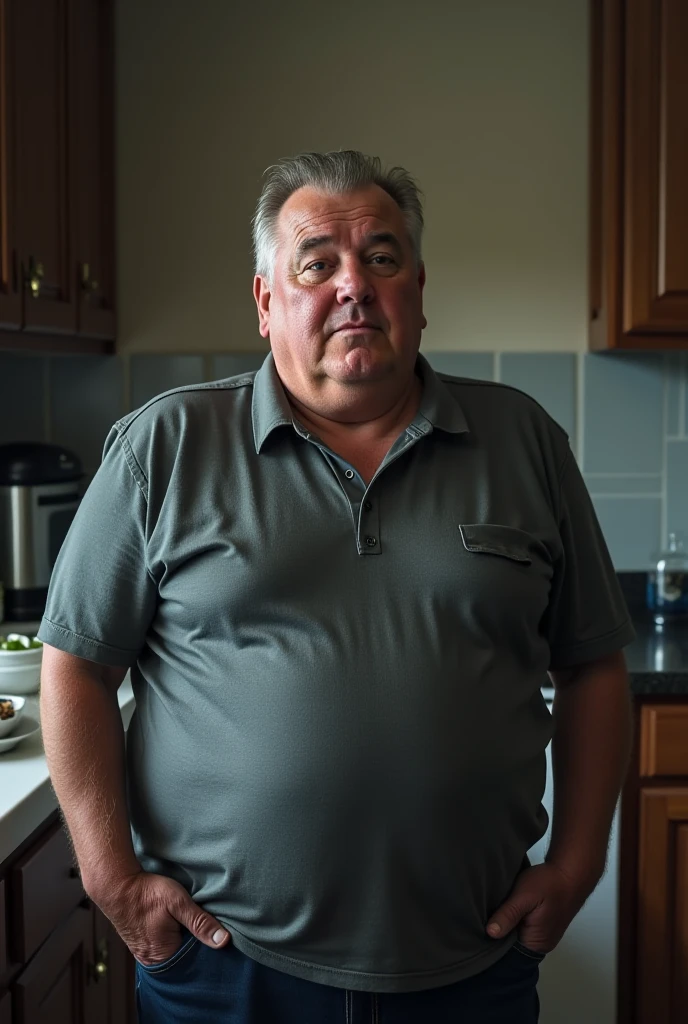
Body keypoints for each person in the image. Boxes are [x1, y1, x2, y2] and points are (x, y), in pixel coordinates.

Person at [39, 150, 635, 1024]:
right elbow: (75, 665)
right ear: (266, 299)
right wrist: (111, 878)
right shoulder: (165, 447)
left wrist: (579, 864)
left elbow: (595, 665)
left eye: (382, 258)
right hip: (226, 969)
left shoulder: (524, 441)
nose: (353, 285)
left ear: (419, 291)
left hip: (471, 964)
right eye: (317, 262)